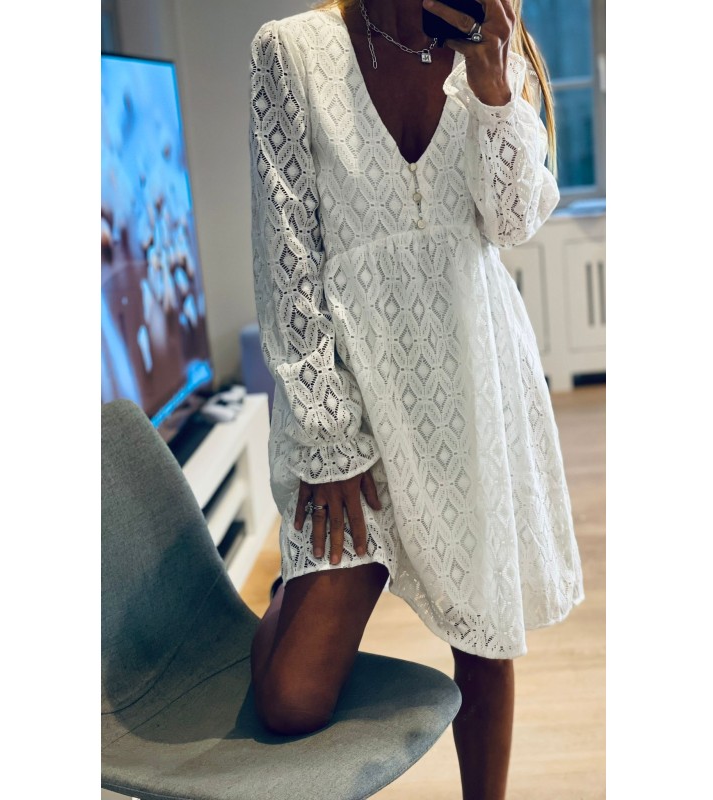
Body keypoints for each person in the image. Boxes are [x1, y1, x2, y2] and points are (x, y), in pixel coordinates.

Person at [247, 1, 585, 797]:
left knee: (486, 639)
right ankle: (287, 598)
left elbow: (511, 223)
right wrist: (331, 441)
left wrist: (492, 82)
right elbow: (286, 268)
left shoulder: (492, 44)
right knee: (293, 699)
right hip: (353, 411)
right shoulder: (290, 52)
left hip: (468, 386)